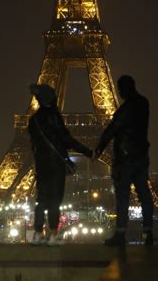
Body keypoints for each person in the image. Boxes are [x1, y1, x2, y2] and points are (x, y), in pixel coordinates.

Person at [28, 84, 93, 246]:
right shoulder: (54, 117)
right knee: (54, 201)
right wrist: (87, 151)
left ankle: (37, 233)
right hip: (56, 164)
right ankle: (53, 234)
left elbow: (34, 145)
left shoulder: (33, 120)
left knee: (41, 199)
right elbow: (66, 139)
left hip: (42, 164)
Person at [94, 75, 154, 246]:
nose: (118, 92)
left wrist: (98, 149)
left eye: (119, 89)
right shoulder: (144, 103)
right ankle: (148, 231)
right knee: (144, 193)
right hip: (142, 154)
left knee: (122, 196)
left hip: (126, 158)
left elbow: (112, 129)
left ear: (124, 89)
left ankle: (120, 234)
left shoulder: (126, 109)